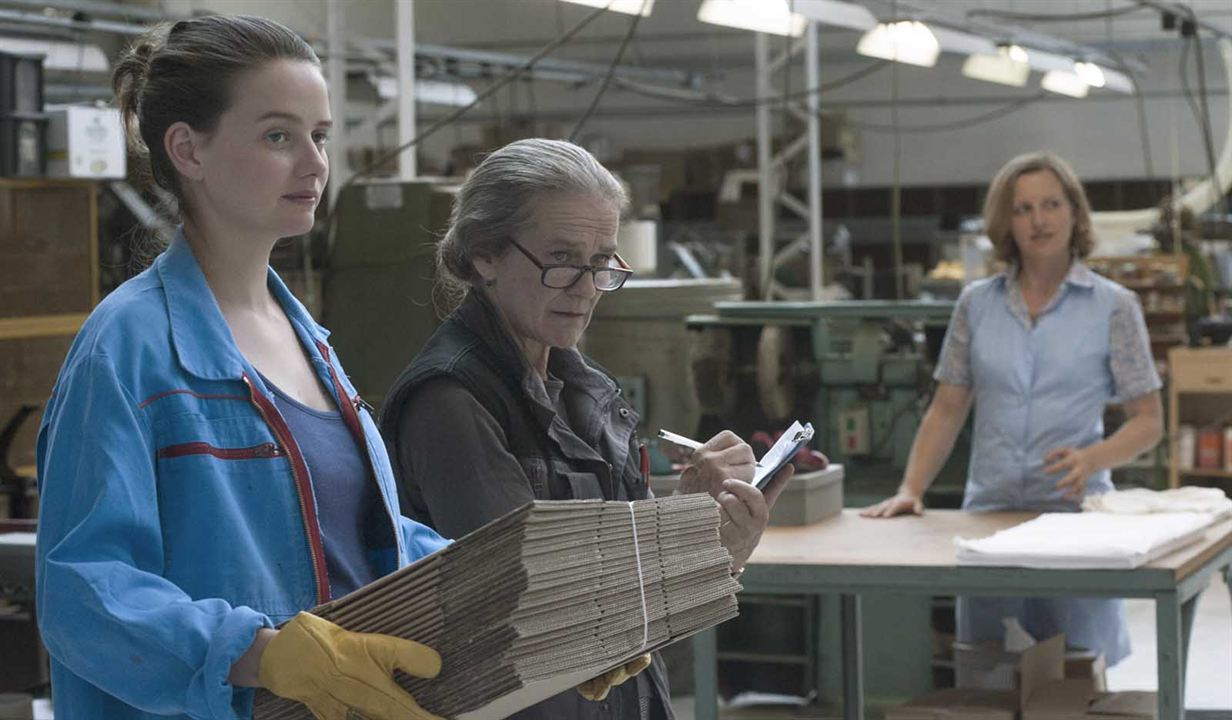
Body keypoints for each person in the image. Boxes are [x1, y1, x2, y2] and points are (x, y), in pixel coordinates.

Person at [35, 16, 455, 720]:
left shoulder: (310, 343)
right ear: (188, 150)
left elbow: (363, 538)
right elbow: (85, 593)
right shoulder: (127, 348)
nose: (316, 164)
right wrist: (257, 654)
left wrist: (523, 604)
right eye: (278, 136)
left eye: (319, 135)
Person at [380, 138, 795, 720]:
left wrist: (713, 539)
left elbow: (626, 586)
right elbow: (536, 610)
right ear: (483, 254)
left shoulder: (584, 386)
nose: (584, 286)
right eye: (562, 259)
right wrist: (678, 541)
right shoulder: (451, 402)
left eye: (602, 261)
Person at [862, 151, 1164, 666]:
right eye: (1022, 209)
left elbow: (1149, 419)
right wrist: (911, 488)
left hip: (1075, 523)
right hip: (991, 522)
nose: (1039, 220)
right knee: (989, 679)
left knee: (1075, 684)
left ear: (1074, 213)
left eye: (1050, 204)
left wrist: (1093, 459)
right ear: (1006, 222)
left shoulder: (1114, 306)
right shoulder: (976, 304)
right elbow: (947, 408)